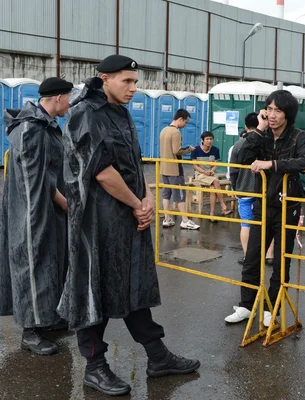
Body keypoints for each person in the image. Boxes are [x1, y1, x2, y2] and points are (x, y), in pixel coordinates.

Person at [59, 55, 199, 397]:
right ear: (105, 78)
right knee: (95, 291)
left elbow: (134, 162)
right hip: (96, 224)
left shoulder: (119, 112)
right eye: (127, 82)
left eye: (135, 82)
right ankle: (94, 367)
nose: (134, 89)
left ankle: (157, 356)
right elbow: (102, 172)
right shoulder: (84, 114)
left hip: (126, 219)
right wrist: (138, 204)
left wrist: (147, 197)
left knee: (132, 286)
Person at [224, 90, 305, 326]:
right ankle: (246, 305)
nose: (272, 115)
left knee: (281, 260)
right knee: (252, 256)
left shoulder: (297, 136)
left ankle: (270, 307)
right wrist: (260, 129)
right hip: (261, 203)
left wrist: (272, 164)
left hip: (288, 205)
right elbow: (241, 157)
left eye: (278, 110)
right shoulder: (261, 136)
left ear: (288, 114)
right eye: (269, 109)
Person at [0, 77, 72, 356]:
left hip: (48, 210)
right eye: (69, 98)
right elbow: (35, 179)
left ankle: (48, 318)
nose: (70, 103)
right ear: (57, 98)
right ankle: (30, 331)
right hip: (32, 213)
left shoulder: (48, 125)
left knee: (51, 262)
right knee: (32, 263)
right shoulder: (31, 129)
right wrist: (65, 203)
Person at [229, 112, 275, 266]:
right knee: (267, 222)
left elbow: (233, 170)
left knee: (246, 223)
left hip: (244, 190)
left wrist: (235, 188)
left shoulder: (238, 145)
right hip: (262, 190)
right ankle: (269, 255)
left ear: (245, 126)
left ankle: (248, 256)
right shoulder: (267, 141)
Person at [159, 109, 199, 230]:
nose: (185, 125)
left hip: (163, 167)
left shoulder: (164, 130)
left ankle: (166, 219)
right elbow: (176, 150)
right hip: (175, 169)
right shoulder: (176, 132)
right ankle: (185, 220)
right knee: (180, 194)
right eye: (186, 122)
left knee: (166, 194)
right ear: (180, 119)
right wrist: (189, 149)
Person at [191, 131, 233, 221]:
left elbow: (215, 164)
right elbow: (195, 166)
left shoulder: (215, 150)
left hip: (210, 174)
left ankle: (212, 214)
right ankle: (222, 205)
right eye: (207, 139)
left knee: (213, 189)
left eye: (211, 139)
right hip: (200, 174)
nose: (209, 141)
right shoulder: (196, 150)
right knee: (216, 181)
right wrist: (204, 172)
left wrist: (211, 170)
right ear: (202, 140)